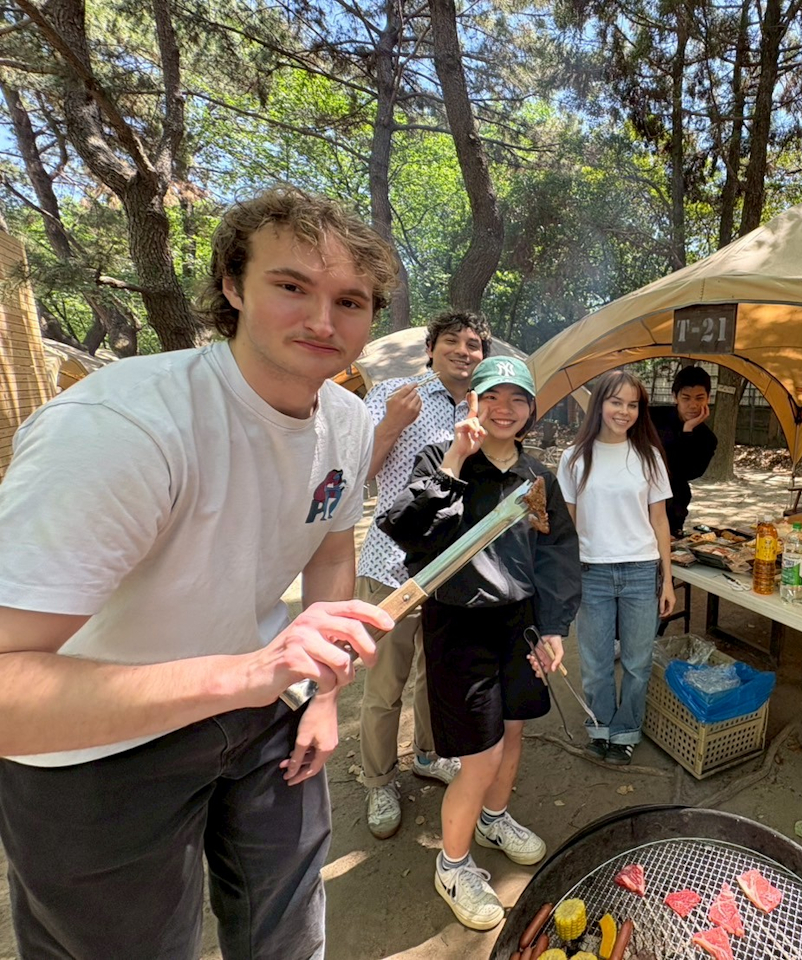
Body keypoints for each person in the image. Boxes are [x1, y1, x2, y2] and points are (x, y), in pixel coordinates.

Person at [0, 185, 401, 958]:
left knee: (288, 925)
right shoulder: (125, 427)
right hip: (92, 753)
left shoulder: (347, 420)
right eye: (292, 286)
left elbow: (329, 548)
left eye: (350, 301)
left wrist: (319, 696)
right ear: (232, 285)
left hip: (262, 711)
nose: (323, 322)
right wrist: (250, 672)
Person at [378, 355, 580, 931]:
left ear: (531, 410)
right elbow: (409, 532)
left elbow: (557, 553)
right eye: (491, 397)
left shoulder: (538, 477)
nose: (503, 409)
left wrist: (554, 626)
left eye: (517, 399)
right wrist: (456, 460)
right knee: (480, 753)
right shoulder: (441, 460)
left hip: (519, 624)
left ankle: (494, 817)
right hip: (458, 625)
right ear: (472, 402)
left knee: (513, 734)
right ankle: (452, 865)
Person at [355, 310, 491, 840]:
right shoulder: (395, 393)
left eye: (473, 344)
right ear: (430, 350)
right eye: (451, 341)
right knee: (384, 685)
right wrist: (392, 423)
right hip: (390, 566)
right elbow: (358, 474)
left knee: (437, 675)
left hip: (450, 572)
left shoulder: (486, 404)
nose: (463, 350)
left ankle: (429, 755)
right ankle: (379, 780)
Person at [559, 370, 676, 765]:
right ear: (599, 404)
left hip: (642, 571)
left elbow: (660, 520)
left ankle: (625, 732)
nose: (624, 411)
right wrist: (564, 578)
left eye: (632, 405)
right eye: (616, 402)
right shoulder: (574, 458)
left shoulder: (649, 456)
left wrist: (667, 581)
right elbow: (567, 525)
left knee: (637, 662)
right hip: (591, 572)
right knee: (595, 663)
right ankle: (600, 728)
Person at [649, 364, 718, 537]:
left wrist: (688, 431)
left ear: (708, 398)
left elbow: (688, 472)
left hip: (673, 506)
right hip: (640, 497)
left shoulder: (707, 438)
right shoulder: (651, 417)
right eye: (686, 398)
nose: (693, 405)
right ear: (675, 397)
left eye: (699, 398)